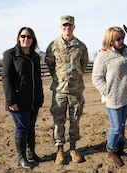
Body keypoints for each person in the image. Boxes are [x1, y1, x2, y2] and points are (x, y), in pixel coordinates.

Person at [92, 26, 127, 167]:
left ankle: (120, 149)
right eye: (118, 38)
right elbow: (96, 78)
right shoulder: (103, 56)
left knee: (123, 124)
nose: (121, 40)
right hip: (112, 97)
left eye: (123, 37)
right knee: (116, 126)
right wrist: (106, 91)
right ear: (110, 41)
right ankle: (111, 151)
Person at [45, 15, 89, 164]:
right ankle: (60, 151)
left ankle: (73, 149)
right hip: (59, 91)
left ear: (74, 27)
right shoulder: (53, 46)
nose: (67, 28)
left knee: (75, 120)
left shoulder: (81, 46)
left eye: (70, 26)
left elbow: (83, 64)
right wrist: (59, 78)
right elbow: (50, 64)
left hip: (76, 90)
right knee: (59, 121)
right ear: (61, 27)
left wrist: (74, 77)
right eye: (64, 26)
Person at [2, 27, 44, 169]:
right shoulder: (11, 55)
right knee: (22, 128)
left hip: (33, 100)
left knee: (31, 128)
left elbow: (38, 78)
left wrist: (40, 96)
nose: (26, 39)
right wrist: (10, 100)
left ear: (33, 39)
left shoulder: (35, 57)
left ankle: (32, 153)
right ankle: (22, 158)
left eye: (29, 37)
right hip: (18, 101)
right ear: (19, 38)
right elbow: (6, 78)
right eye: (23, 36)